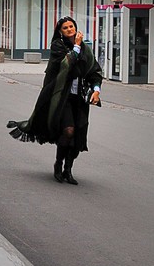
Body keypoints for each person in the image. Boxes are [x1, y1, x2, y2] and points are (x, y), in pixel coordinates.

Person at [7, 16, 104, 185]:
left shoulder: (86, 50)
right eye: (65, 28)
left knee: (79, 134)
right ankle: (58, 165)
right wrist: (76, 45)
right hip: (61, 96)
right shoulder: (58, 46)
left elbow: (94, 71)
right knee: (68, 131)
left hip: (79, 98)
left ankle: (69, 169)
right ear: (60, 31)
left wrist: (96, 90)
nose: (69, 29)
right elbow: (67, 65)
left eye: (71, 26)